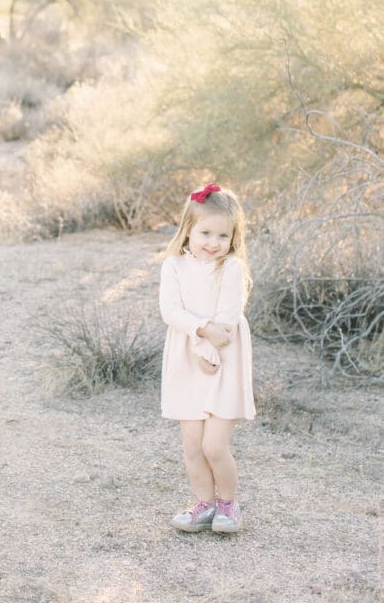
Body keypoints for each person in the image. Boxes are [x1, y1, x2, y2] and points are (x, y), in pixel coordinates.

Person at [158, 182, 255, 533]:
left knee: (214, 446)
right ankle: (204, 504)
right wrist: (200, 339)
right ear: (188, 229)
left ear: (233, 237)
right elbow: (170, 311)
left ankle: (228, 504)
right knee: (193, 446)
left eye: (223, 235)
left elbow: (226, 321)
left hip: (224, 359)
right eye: (206, 233)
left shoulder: (230, 268)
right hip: (188, 357)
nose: (214, 242)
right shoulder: (173, 266)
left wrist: (209, 350)